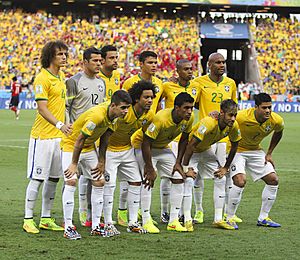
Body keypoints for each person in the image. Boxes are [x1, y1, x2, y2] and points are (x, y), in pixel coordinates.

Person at [61, 90, 132, 240]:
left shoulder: (115, 116)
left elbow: (106, 137)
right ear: (113, 105)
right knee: (71, 180)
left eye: (127, 107)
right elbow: (79, 139)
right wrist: (74, 164)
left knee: (99, 181)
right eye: (123, 107)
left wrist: (101, 161)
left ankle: (96, 226)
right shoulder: (97, 116)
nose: (126, 111)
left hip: (88, 147)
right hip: (71, 144)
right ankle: (68, 227)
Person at [23, 40, 72, 234]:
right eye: (60, 54)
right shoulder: (42, 78)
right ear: (50, 56)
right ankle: (28, 219)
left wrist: (65, 125)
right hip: (42, 137)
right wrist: (60, 125)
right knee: (37, 178)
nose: (64, 57)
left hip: (58, 138)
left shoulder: (61, 77)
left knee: (53, 179)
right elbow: (42, 108)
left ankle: (45, 217)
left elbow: (62, 107)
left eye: (65, 54)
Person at [132, 92, 194, 233]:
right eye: (186, 108)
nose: (189, 111)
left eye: (191, 107)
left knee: (178, 177)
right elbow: (146, 142)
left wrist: (178, 163)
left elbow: (184, 140)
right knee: (149, 179)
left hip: (162, 147)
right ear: (177, 108)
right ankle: (146, 219)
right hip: (143, 146)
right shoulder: (160, 118)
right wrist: (149, 168)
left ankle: (173, 221)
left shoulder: (189, 119)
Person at [192, 52, 240, 224]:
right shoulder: (199, 82)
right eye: (218, 62)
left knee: (222, 174)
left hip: (224, 137)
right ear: (209, 65)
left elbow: (234, 106)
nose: (222, 65)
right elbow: (192, 102)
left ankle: (226, 213)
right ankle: (199, 211)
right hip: (206, 134)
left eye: (223, 62)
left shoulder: (230, 83)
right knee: (197, 174)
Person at [103, 81, 156, 234]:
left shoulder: (149, 115)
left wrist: (148, 164)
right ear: (137, 99)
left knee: (136, 181)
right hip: (110, 150)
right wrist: (102, 158)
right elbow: (105, 133)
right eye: (146, 97)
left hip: (127, 149)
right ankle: (107, 223)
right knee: (110, 185)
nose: (150, 100)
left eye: (152, 97)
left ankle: (132, 222)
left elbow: (147, 139)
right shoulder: (124, 113)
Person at [226, 93, 284, 229]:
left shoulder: (276, 120)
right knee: (240, 181)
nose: (268, 111)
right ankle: (229, 218)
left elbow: (279, 131)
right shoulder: (241, 116)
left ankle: (263, 217)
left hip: (255, 151)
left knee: (273, 180)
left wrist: (269, 153)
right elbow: (226, 122)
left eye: (270, 107)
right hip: (237, 150)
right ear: (256, 107)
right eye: (264, 108)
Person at [119, 50, 164, 226]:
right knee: (129, 178)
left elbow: (160, 106)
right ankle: (122, 211)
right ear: (141, 64)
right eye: (150, 62)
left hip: (147, 134)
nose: (154, 66)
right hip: (131, 137)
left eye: (156, 62)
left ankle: (138, 211)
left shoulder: (160, 83)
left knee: (141, 178)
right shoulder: (130, 82)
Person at [182, 99, 241, 230]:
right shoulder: (208, 123)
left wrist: (225, 167)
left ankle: (218, 219)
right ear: (221, 113)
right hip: (191, 151)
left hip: (206, 150)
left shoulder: (233, 125)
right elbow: (191, 145)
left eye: (235, 115)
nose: (233, 118)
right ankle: (187, 219)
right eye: (230, 115)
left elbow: (235, 145)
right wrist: (186, 169)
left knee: (221, 177)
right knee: (189, 180)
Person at [65, 47, 106, 227]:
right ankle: (76, 215)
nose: (99, 64)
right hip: (75, 137)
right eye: (95, 61)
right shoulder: (73, 82)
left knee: (94, 178)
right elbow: (67, 107)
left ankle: (90, 216)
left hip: (92, 138)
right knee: (72, 178)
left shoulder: (101, 83)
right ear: (85, 62)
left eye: (100, 61)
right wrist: (68, 128)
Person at [159, 59, 199, 223]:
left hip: (185, 136)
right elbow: (155, 104)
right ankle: (164, 211)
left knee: (185, 176)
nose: (190, 71)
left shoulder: (197, 86)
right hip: (169, 138)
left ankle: (182, 213)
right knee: (167, 177)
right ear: (177, 71)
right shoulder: (167, 86)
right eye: (186, 69)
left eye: (191, 68)